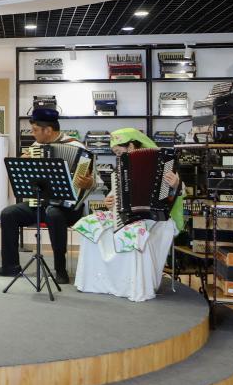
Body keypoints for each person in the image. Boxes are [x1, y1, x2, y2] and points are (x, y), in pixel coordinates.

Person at [72, 128, 184, 301]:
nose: (117, 157)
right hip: (127, 216)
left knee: (135, 231)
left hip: (157, 218)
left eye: (119, 152)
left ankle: (132, 285)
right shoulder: (121, 169)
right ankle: (96, 282)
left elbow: (179, 194)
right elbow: (116, 197)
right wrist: (110, 202)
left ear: (131, 146)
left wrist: (176, 184)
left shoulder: (164, 163)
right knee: (90, 223)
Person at [0, 107, 95, 285]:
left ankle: (60, 270)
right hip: (40, 204)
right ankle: (10, 266)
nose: (32, 134)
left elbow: (96, 182)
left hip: (69, 208)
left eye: (35, 130)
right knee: (8, 213)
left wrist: (89, 183)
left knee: (54, 214)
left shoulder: (78, 148)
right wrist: (23, 166)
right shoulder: (35, 148)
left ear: (48, 130)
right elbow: (29, 180)